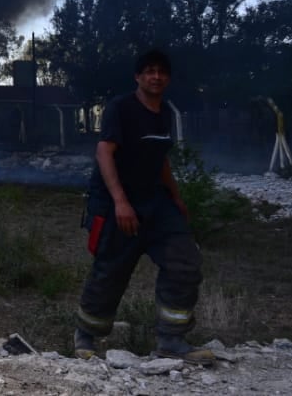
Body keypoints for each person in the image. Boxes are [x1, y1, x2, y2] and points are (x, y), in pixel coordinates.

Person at [73, 49, 214, 365]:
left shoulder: (165, 112)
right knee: (111, 270)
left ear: (168, 78)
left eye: (162, 71)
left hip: (156, 201)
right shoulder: (120, 108)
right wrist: (120, 202)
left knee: (185, 262)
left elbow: (159, 158)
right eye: (149, 71)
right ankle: (86, 335)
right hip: (116, 202)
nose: (156, 76)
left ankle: (171, 340)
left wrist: (176, 197)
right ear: (138, 76)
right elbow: (104, 153)